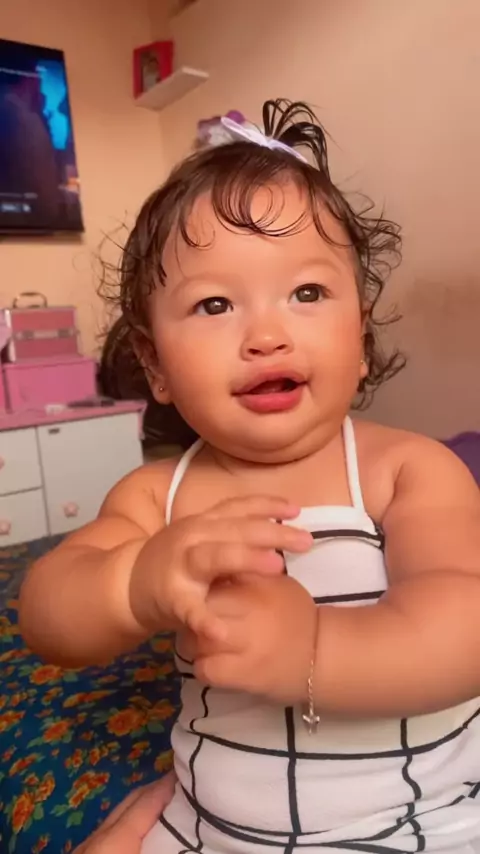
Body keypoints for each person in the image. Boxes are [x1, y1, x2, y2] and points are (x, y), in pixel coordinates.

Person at [19, 99, 480, 854]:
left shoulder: (406, 472)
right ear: (155, 364)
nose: (266, 335)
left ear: (361, 335)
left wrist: (316, 653)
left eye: (307, 293)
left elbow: (466, 626)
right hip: (209, 828)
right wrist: (132, 582)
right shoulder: (156, 496)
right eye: (214, 304)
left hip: (409, 823)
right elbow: (46, 613)